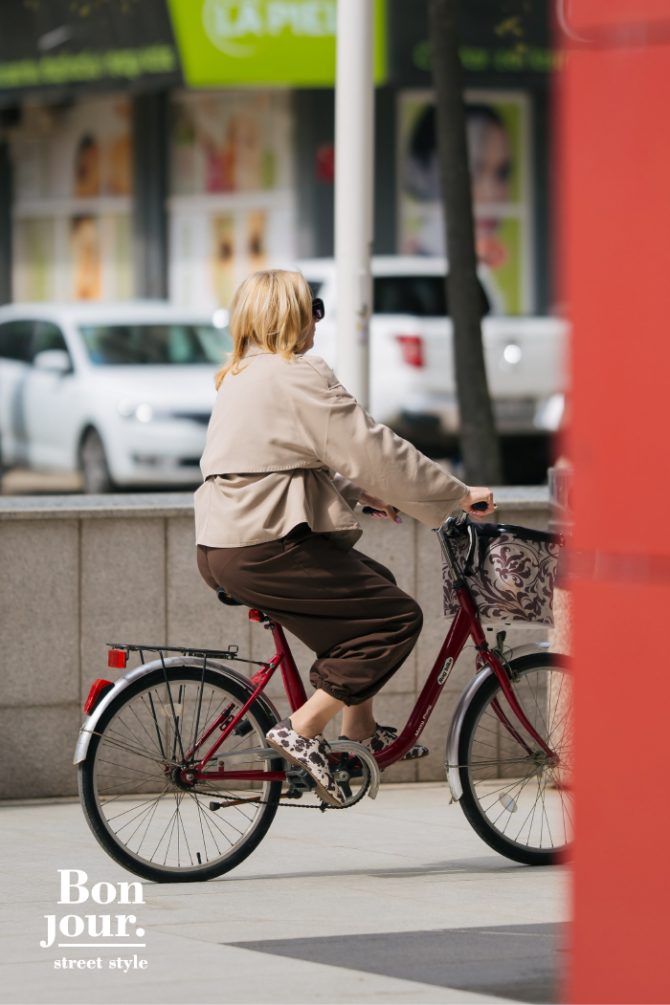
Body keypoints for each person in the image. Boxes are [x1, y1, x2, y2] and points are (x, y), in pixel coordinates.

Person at [194, 269, 495, 806]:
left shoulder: (239, 375)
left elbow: (280, 460)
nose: (317, 318)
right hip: (268, 543)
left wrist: (361, 495)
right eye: (313, 307)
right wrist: (454, 495)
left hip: (227, 545)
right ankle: (302, 729)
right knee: (396, 618)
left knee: (373, 585)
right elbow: (371, 448)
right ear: (291, 315)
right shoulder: (296, 374)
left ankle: (358, 730)